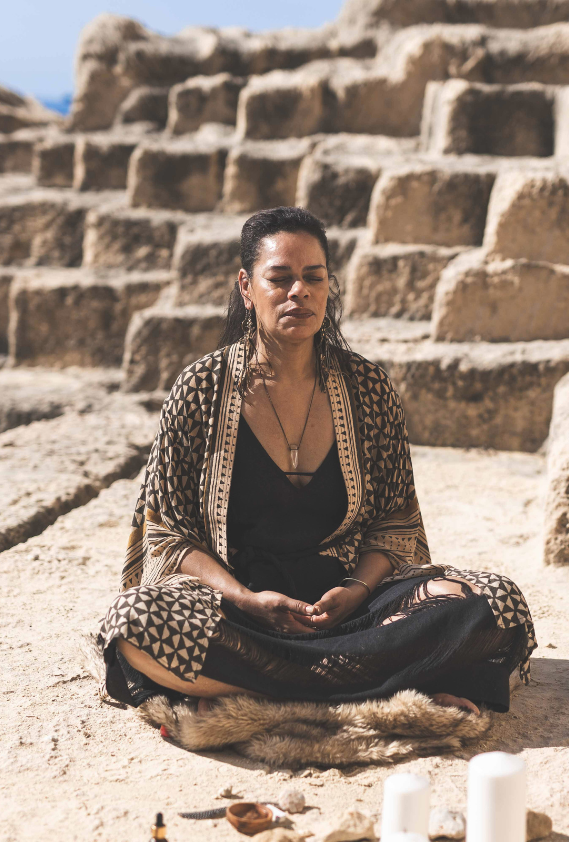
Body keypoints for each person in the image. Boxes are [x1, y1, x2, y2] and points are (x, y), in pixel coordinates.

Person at [98, 206, 536, 716]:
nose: (298, 292)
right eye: (279, 278)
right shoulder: (201, 388)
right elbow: (167, 533)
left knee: (497, 603)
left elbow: (396, 522)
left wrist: (355, 590)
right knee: (136, 622)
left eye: (313, 277)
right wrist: (245, 599)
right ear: (246, 287)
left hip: (354, 611)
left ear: (329, 286)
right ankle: (381, 681)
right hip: (239, 611)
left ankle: (269, 688)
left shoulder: (368, 388)